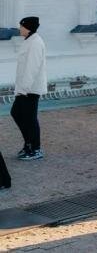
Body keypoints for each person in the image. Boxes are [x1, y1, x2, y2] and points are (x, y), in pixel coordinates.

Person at [12, 16, 47, 161]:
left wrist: (24, 89)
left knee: (29, 118)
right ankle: (29, 144)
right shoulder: (29, 41)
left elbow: (32, 68)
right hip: (24, 88)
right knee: (17, 113)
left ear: (28, 27)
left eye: (21, 26)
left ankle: (35, 149)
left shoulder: (36, 43)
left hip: (30, 89)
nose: (20, 29)